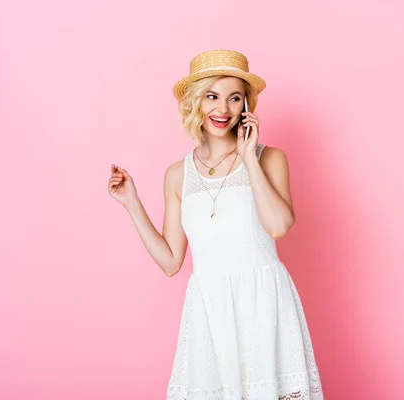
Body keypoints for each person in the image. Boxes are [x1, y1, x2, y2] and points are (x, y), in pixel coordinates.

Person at [108, 49, 324, 399]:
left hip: (264, 305)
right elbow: (170, 262)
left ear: (246, 106)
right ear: (196, 103)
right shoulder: (178, 175)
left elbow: (278, 226)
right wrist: (132, 202)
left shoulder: (269, 158)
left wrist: (248, 159)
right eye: (212, 96)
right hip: (210, 312)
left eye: (234, 98)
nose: (222, 109)